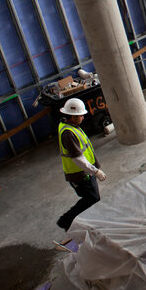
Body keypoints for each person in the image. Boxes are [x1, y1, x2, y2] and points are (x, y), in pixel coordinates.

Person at [56, 98, 106, 231]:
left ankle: (88, 221)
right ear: (72, 117)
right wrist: (95, 171)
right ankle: (66, 221)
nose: (83, 118)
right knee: (91, 198)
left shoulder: (70, 126)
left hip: (85, 171)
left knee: (93, 198)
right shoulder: (68, 133)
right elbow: (77, 158)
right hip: (80, 173)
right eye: (80, 116)